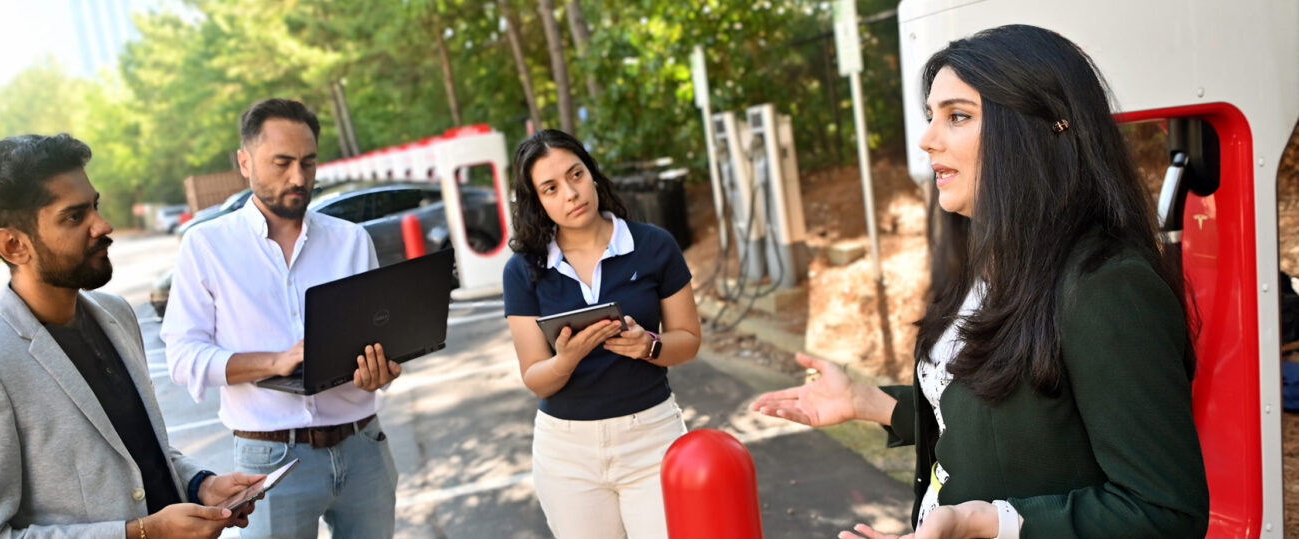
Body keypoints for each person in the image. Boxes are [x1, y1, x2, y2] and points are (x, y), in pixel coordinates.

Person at [752, 24, 1209, 539]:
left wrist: (987, 523)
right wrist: (869, 402)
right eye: (931, 116)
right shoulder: (990, 262)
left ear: (1040, 130)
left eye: (958, 116)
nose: (927, 139)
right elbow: (998, 418)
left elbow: (1166, 512)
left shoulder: (1107, 287)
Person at [0, 133, 264, 539]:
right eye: (74, 217)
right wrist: (139, 533)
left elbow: (136, 456)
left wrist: (200, 485)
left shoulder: (116, 315)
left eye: (95, 207)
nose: (103, 225)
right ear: (13, 245)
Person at [161, 98, 401, 538]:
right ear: (245, 162)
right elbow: (183, 357)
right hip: (269, 461)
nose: (298, 178)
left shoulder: (352, 240)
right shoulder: (206, 246)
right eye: (282, 163)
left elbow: (377, 342)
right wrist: (275, 361)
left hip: (364, 446)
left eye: (308, 163)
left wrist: (380, 372)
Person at [502, 129, 702, 538]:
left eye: (576, 175)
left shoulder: (655, 245)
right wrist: (566, 360)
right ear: (537, 202)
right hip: (566, 452)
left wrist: (650, 345)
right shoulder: (523, 270)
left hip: (652, 437)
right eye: (551, 188)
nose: (571, 194)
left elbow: (689, 340)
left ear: (592, 174)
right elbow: (534, 376)